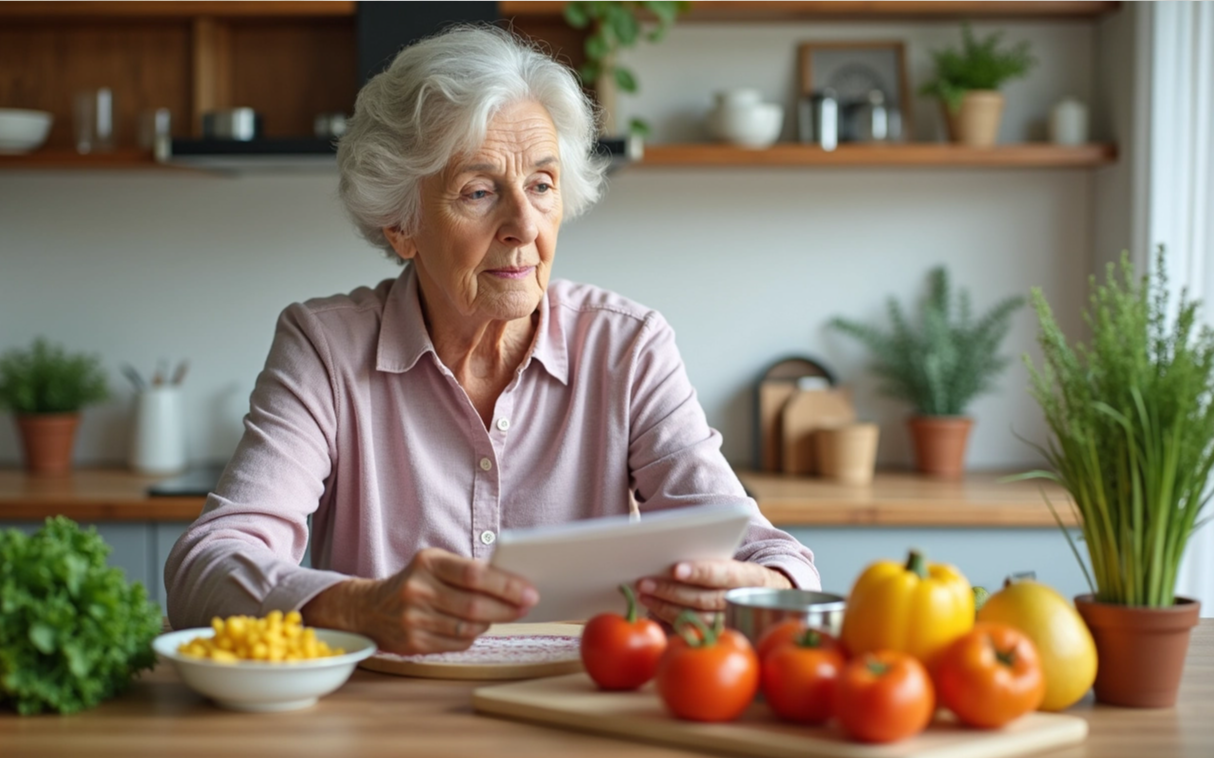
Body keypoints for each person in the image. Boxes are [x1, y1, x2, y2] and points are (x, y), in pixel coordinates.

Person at [165, 25, 819, 655]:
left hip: (581, 709)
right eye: (479, 192)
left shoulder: (628, 349)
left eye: (541, 185)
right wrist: (359, 606)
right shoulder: (326, 349)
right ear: (401, 224)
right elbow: (205, 568)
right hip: (382, 727)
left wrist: (762, 587)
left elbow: (775, 559)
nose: (523, 225)